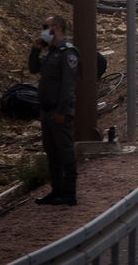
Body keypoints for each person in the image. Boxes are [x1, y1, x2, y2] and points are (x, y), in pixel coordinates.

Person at [29, 14, 78, 205]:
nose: (43, 31)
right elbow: (34, 69)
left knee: (66, 152)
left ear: (56, 28)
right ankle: (56, 190)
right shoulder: (50, 52)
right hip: (47, 110)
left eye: (45, 26)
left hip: (59, 112)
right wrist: (35, 51)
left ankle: (69, 193)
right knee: (52, 153)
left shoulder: (68, 53)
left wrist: (62, 111)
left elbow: (68, 85)